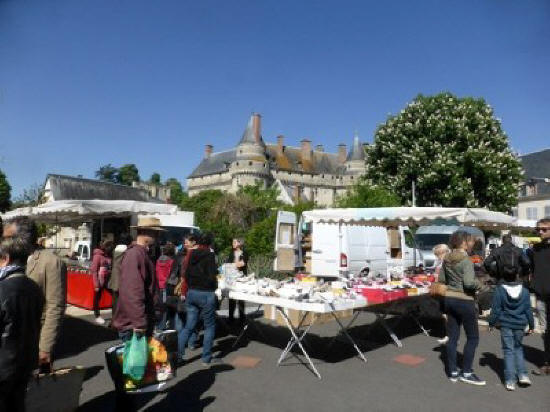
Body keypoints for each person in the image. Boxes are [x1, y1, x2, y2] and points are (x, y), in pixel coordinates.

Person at [3, 217, 66, 370]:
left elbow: (55, 307)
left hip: (34, 339)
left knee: (35, 389)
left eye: (7, 237)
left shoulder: (50, 262)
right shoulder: (8, 258)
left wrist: (45, 347)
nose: (3, 241)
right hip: (10, 340)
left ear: (22, 238)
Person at [0, 236, 44, 412]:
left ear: (6, 258)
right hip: (25, 363)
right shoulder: (34, 288)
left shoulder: (2, 289)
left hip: (2, 367)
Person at [438, 230, 485, 385]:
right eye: (470, 241)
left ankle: (452, 371)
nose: (472, 244)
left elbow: (442, 279)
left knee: (453, 338)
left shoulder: (446, 259)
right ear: (464, 243)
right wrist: (481, 285)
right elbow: (469, 283)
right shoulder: (466, 261)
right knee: (473, 338)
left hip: (449, 300)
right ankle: (466, 372)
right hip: (465, 301)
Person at [112, 217, 163, 341]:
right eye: (156, 232)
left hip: (138, 323)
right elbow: (132, 291)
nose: (158, 235)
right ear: (146, 232)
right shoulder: (135, 254)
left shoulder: (142, 253)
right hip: (133, 326)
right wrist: (139, 322)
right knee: (135, 360)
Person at [488, 266, 534, 390]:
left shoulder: (500, 290)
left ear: (504, 277)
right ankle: (523, 375)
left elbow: (496, 310)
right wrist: (532, 325)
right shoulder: (524, 291)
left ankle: (510, 380)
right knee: (518, 348)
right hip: (520, 323)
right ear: (517, 276)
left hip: (506, 323)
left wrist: (491, 323)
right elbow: (528, 310)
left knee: (508, 351)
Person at [178, 233, 219, 366]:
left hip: (192, 292)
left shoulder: (192, 254)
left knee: (189, 326)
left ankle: (178, 355)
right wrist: (214, 286)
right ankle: (206, 358)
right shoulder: (210, 255)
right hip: (206, 293)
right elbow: (213, 275)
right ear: (209, 244)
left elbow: (186, 274)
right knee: (209, 326)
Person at [527, 217, 550, 375]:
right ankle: (547, 363)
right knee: (545, 331)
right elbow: (533, 270)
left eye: (544, 229)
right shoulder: (536, 249)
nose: (540, 232)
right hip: (541, 296)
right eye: (538, 229)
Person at [107, 232, 133, 317]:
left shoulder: (115, 249)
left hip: (114, 278)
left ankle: (114, 319)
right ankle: (118, 320)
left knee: (114, 301)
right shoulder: (127, 251)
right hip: (122, 278)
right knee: (122, 302)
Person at [90, 239, 114, 325]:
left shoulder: (107, 255)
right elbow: (94, 270)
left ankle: (115, 314)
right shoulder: (98, 256)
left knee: (114, 295)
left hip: (107, 280)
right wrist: (96, 284)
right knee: (97, 298)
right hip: (100, 281)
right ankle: (97, 316)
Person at [227, 238, 249, 324]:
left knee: (240, 299)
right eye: (232, 242)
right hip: (232, 277)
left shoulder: (245, 253)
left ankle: (242, 318)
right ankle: (231, 317)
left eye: (235, 242)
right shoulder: (231, 253)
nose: (233, 243)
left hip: (241, 278)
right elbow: (229, 263)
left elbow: (242, 264)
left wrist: (232, 265)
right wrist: (232, 265)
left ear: (239, 243)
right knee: (231, 298)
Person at [156, 242, 176, 330]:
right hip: (167, 286)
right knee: (170, 306)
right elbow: (171, 274)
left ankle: (161, 325)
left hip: (159, 285)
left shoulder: (158, 260)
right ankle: (169, 326)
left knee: (161, 307)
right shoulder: (171, 262)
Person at [433, 243, 450, 344]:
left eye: (437, 254)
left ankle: (449, 335)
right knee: (445, 314)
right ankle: (448, 334)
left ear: (442, 252)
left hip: (446, 290)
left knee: (447, 314)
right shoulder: (441, 261)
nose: (437, 257)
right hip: (442, 290)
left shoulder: (448, 262)